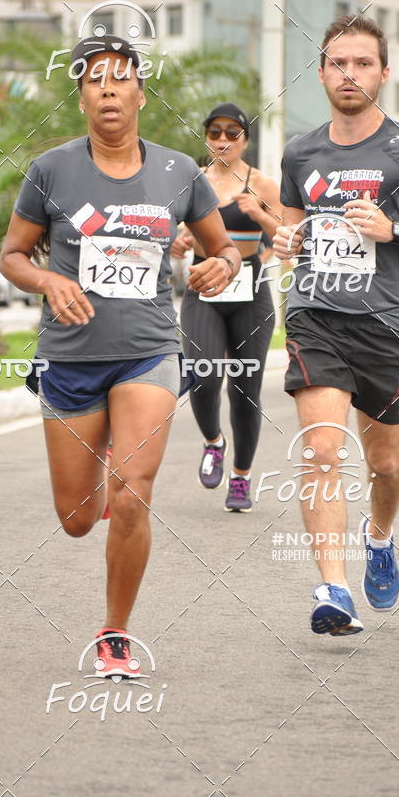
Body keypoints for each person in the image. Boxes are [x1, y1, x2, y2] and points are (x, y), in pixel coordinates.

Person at [0, 35, 240, 676]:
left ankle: (115, 633)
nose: (107, 88)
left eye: (120, 78)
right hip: (71, 358)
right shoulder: (50, 170)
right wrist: (49, 280)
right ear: (80, 98)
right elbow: (12, 256)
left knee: (132, 495)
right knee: (78, 518)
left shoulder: (178, 173)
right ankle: (105, 461)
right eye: (94, 80)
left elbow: (226, 249)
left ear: (139, 92)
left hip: (148, 351)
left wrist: (221, 265)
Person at [273, 14, 399, 635]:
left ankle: (378, 537)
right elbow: (290, 228)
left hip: (391, 322)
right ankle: (333, 588)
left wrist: (396, 231)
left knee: (385, 465)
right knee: (323, 451)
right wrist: (285, 240)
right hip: (317, 314)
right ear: (322, 71)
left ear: (384, 72)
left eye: (362, 63)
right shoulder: (301, 151)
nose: (348, 74)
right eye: (338, 63)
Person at [172, 103, 281, 512]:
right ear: (206, 137)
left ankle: (241, 476)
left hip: (250, 293)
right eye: (215, 132)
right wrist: (178, 241)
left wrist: (260, 213)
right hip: (203, 286)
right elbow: (173, 231)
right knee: (202, 375)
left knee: (245, 391)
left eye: (232, 133)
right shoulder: (193, 181)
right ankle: (214, 442)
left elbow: (289, 236)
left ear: (245, 140)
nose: (222, 140)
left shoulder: (264, 184)